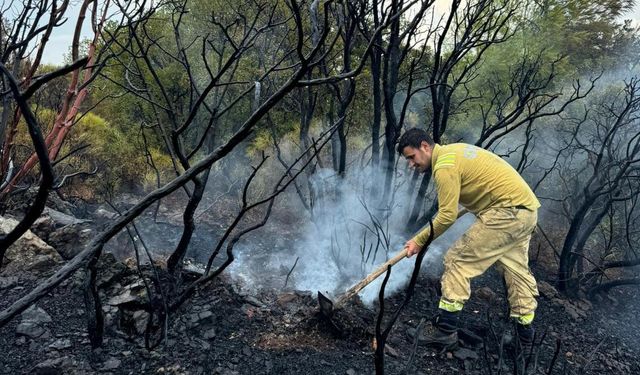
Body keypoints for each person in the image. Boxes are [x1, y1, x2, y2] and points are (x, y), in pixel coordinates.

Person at [397, 127, 540, 349]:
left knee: (457, 261)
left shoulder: (444, 166)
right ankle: (525, 338)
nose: (411, 164)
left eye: (411, 157)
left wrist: (419, 240)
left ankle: (445, 330)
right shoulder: (454, 152)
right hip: (526, 212)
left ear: (425, 146)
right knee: (516, 272)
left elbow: (446, 216)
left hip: (506, 212)